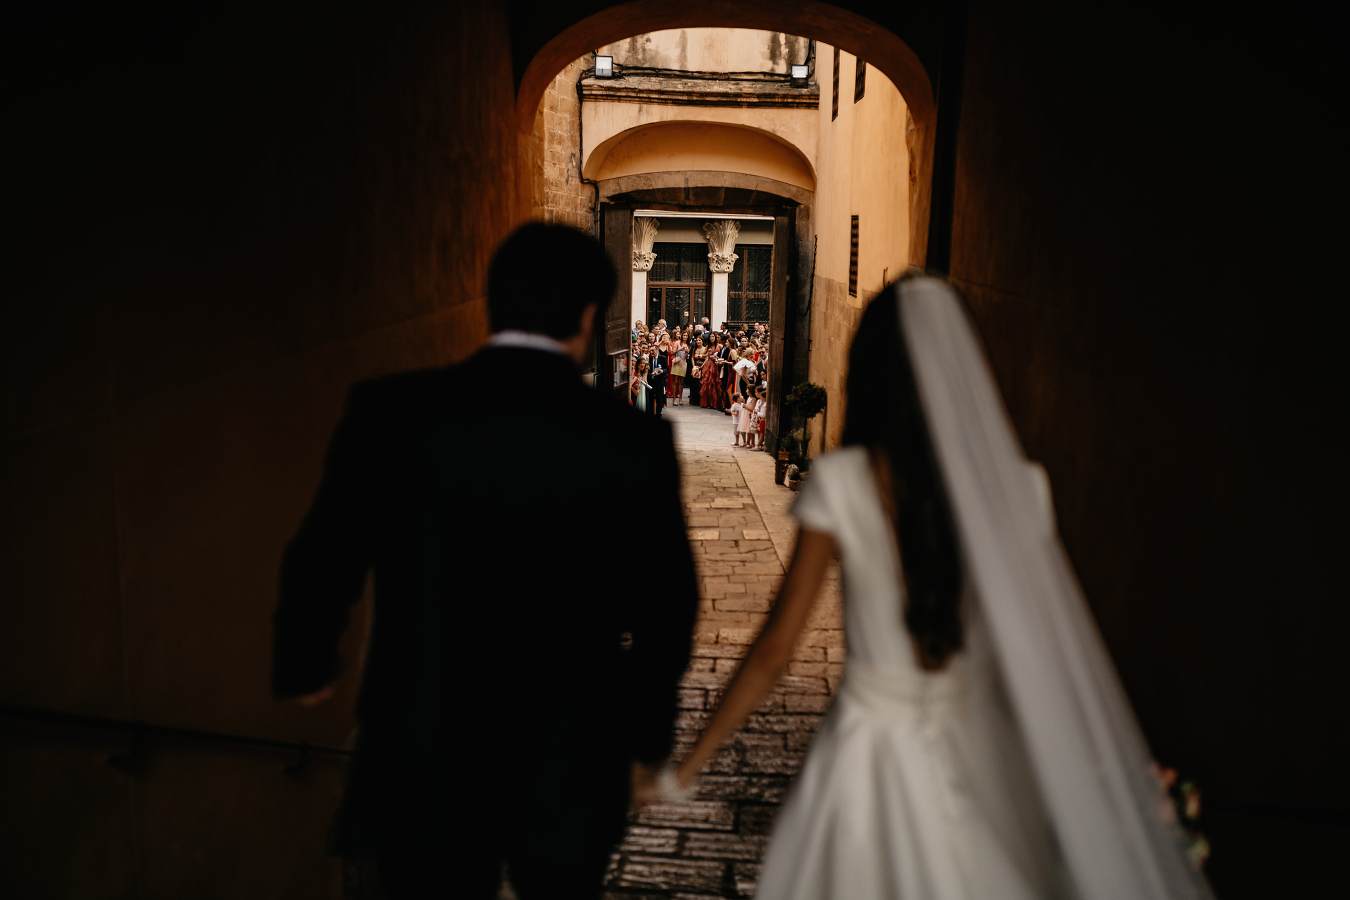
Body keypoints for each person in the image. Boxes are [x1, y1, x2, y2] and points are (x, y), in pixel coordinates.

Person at [645, 277, 1213, 900]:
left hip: (867, 761)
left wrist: (686, 768)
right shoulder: (1022, 489)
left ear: (871, 376)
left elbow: (775, 651)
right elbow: (1038, 648)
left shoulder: (844, 483)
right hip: (976, 758)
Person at [274, 221, 699, 900]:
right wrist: (645, 738)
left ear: (492, 302)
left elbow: (325, 549)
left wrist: (306, 661)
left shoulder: (393, 413)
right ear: (589, 315)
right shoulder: (632, 439)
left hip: (422, 736)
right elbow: (667, 606)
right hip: (569, 748)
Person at [700, 334, 722, 410]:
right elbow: (704, 355)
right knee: (707, 383)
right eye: (710, 337)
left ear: (715, 338)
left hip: (716, 365)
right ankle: (707, 402)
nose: (711, 338)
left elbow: (721, 356)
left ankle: (714, 403)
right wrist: (708, 355)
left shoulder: (719, 346)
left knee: (714, 383)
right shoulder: (708, 346)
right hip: (708, 365)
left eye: (713, 336)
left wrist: (716, 357)